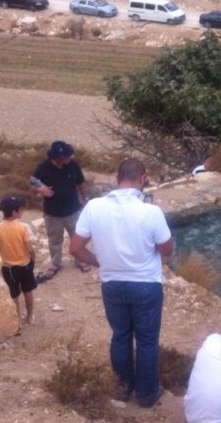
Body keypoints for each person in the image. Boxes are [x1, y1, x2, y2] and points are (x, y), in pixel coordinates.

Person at [69, 158, 174, 407]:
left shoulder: (94, 207)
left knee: (120, 335)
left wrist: (102, 263)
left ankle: (121, 388)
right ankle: (147, 395)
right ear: (143, 179)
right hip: (145, 284)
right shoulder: (151, 211)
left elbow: (75, 249)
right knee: (147, 340)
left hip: (112, 282)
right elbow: (167, 250)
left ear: (117, 180)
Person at [32, 140, 90, 281]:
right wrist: (40, 189)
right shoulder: (42, 167)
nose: (69, 158)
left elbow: (81, 182)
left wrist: (86, 198)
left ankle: (81, 259)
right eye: (66, 157)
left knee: (77, 237)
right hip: (52, 213)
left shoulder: (73, 164)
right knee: (54, 240)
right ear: (58, 158)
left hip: (73, 210)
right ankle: (55, 264)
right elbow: (33, 182)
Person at [0, 195, 37, 335]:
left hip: (8, 268)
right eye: (20, 209)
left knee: (14, 295)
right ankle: (29, 316)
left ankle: (17, 321)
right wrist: (33, 258)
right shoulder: (23, 227)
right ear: (14, 212)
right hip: (25, 265)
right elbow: (29, 248)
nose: (22, 210)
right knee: (28, 291)